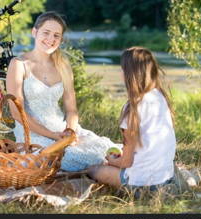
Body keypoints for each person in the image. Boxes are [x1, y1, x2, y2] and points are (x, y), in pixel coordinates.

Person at [6, 11, 120, 172]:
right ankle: (112, 174)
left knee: (106, 149)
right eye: (46, 33)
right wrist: (53, 136)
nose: (50, 40)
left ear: (61, 39)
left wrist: (70, 131)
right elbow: (17, 113)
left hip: (61, 130)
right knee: (70, 159)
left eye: (56, 36)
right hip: (32, 132)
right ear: (34, 32)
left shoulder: (63, 66)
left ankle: (124, 176)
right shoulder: (19, 64)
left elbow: (72, 110)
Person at [88, 47, 176, 191]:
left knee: (92, 170)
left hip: (141, 184)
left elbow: (127, 162)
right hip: (165, 177)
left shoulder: (132, 108)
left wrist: (111, 161)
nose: (120, 73)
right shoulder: (160, 97)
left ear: (130, 74)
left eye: (122, 69)